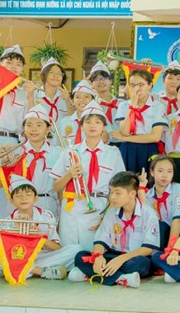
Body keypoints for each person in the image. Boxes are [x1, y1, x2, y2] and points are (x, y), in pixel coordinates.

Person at [50, 103, 124, 251]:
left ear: (104, 127)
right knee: (68, 251)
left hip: (99, 206)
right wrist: (69, 174)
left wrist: (108, 213)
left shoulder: (113, 153)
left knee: (92, 251)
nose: (92, 125)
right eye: (88, 122)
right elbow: (55, 186)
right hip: (72, 207)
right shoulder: (69, 152)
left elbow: (119, 187)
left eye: (97, 122)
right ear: (81, 127)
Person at [70, 171, 159, 288]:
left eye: (117, 193)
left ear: (132, 194)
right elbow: (100, 241)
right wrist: (98, 256)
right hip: (112, 255)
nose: (112, 197)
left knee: (141, 264)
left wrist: (121, 259)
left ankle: (91, 274)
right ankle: (121, 278)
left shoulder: (149, 214)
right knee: (80, 256)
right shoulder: (111, 213)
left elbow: (147, 249)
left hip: (133, 257)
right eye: (111, 192)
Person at [111, 68, 168, 174]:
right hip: (128, 150)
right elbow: (125, 131)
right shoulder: (124, 105)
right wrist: (132, 105)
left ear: (150, 85)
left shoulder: (158, 106)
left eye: (141, 85)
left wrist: (124, 138)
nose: (137, 88)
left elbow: (155, 137)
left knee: (148, 180)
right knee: (128, 180)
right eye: (133, 85)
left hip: (148, 149)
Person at [140, 155, 180, 251]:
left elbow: (177, 221)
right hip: (157, 235)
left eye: (169, 171)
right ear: (152, 172)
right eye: (160, 171)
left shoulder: (178, 189)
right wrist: (141, 189)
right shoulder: (148, 195)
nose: (165, 175)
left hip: (178, 237)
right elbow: (145, 218)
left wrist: (170, 249)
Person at [33, 58, 73, 122]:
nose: (56, 76)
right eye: (51, 72)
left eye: (59, 73)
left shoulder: (65, 97)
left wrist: (68, 101)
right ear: (44, 75)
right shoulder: (34, 95)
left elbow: (72, 121)